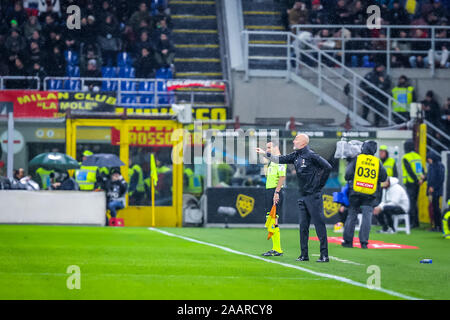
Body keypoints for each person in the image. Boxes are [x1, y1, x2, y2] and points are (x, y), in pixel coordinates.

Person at [256, 133, 332, 262]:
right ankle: (304, 255)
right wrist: (265, 154)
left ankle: (324, 255)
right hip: (302, 195)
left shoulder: (311, 155)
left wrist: (319, 185)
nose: (293, 140)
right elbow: (279, 159)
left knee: (319, 225)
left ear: (303, 142)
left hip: (313, 196)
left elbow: (328, 167)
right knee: (303, 226)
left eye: (296, 139)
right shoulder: (295, 155)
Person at [342, 140, 388, 249]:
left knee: (352, 215)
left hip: (355, 191)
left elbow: (347, 175)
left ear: (363, 148)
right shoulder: (377, 162)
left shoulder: (357, 159)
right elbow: (383, 177)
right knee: (367, 216)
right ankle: (364, 242)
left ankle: (348, 242)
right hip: (369, 193)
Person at [261, 141, 286, 257]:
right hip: (269, 191)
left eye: (269, 147)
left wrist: (277, 192)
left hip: (275, 192)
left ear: (276, 147)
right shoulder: (272, 162)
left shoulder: (280, 160)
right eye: (267, 148)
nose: (268, 150)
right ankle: (275, 248)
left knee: (274, 219)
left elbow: (282, 177)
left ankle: (278, 249)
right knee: (270, 219)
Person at [401, 140, 425, 228]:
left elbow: (409, 171)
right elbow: (420, 170)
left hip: (410, 183)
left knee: (411, 203)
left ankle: (412, 222)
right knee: (415, 202)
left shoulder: (406, 157)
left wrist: (415, 180)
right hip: (418, 183)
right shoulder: (417, 156)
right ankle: (416, 222)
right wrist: (422, 179)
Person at [426, 153, 445, 232]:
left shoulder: (439, 166)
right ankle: (435, 225)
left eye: (429, 158)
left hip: (436, 191)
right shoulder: (431, 165)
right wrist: (424, 178)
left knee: (436, 209)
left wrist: (434, 187)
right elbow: (429, 177)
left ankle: (438, 226)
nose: (428, 160)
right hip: (431, 191)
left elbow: (441, 179)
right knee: (433, 208)